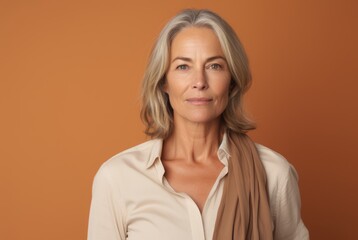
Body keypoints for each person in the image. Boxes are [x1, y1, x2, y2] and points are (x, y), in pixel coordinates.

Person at [88, 9, 309, 240]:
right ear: (164, 80)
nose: (199, 82)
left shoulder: (273, 174)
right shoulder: (118, 178)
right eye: (183, 66)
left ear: (232, 80)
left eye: (214, 66)